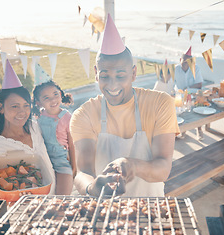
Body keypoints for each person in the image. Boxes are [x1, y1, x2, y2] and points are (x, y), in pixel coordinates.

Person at [70, 14, 180, 197]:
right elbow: (83, 173)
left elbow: (163, 168)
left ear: (134, 73)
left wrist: (131, 165)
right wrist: (92, 187)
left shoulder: (160, 103)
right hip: (104, 208)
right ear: (96, 74)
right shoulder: (83, 115)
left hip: (149, 206)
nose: (112, 85)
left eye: (121, 75)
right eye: (105, 76)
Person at [0, 59, 56, 200]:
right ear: (0, 107)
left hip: (52, 197)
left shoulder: (35, 127)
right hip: (22, 208)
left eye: (26, 105)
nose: (22, 112)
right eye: (15, 106)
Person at [32, 63, 76, 195]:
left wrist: (74, 167)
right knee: (46, 196)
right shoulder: (39, 117)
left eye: (55, 94)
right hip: (44, 161)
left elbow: (72, 144)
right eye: (46, 98)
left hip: (62, 162)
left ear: (61, 94)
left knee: (62, 198)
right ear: (38, 102)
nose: (53, 100)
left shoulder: (67, 117)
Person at [174, 47, 204, 140]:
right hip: (180, 95)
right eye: (183, 61)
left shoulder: (196, 68)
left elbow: (199, 84)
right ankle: (183, 131)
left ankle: (199, 130)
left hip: (193, 94)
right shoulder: (175, 69)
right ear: (180, 60)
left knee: (197, 111)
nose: (185, 63)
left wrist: (188, 89)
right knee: (182, 113)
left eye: (188, 61)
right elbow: (170, 83)